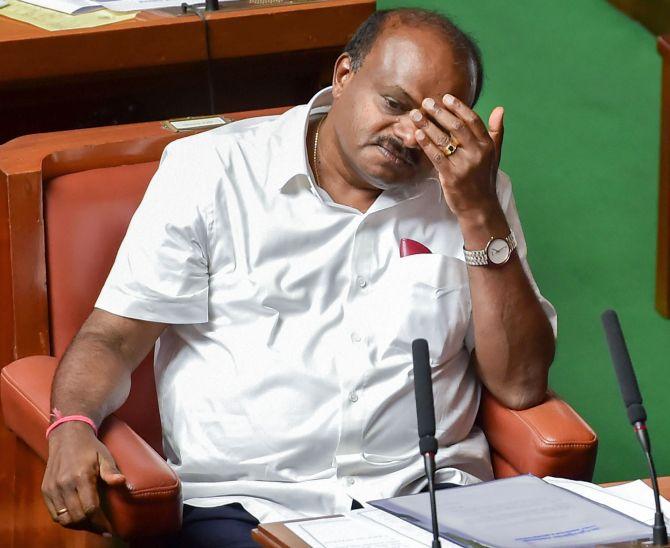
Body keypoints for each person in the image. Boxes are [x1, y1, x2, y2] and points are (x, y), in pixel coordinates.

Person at [40, 8, 556, 547]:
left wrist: (477, 215)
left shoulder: (476, 194)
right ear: (343, 77)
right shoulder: (211, 170)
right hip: (246, 507)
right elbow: (113, 338)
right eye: (394, 104)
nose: (408, 135)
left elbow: (520, 385)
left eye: (432, 123)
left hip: (427, 499)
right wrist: (71, 423)